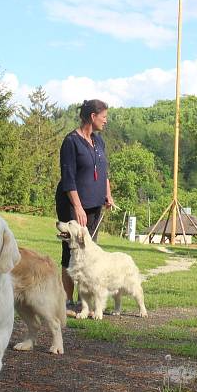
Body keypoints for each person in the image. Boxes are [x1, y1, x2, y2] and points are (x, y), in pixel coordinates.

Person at [56, 99, 115, 317]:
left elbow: (103, 171)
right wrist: (77, 206)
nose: (106, 120)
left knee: (90, 252)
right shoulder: (71, 142)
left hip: (95, 204)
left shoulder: (99, 142)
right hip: (73, 204)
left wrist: (107, 194)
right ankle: (66, 302)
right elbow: (68, 177)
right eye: (104, 116)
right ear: (92, 116)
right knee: (71, 251)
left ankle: (86, 304)